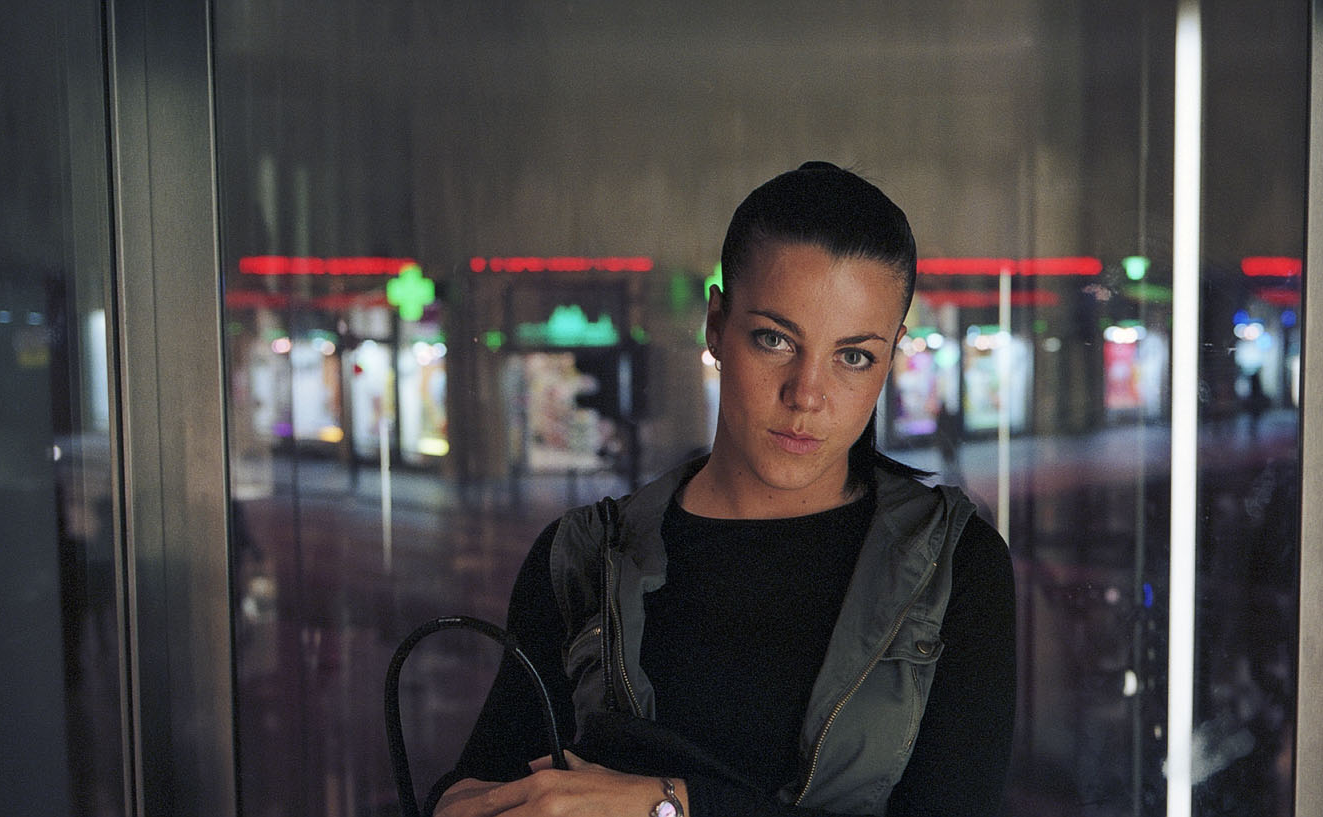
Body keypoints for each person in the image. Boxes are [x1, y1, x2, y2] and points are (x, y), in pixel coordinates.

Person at [430, 162, 1016, 817]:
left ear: (892, 356)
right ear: (716, 324)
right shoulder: (583, 558)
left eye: (854, 355)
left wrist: (670, 805)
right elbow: (484, 786)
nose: (807, 394)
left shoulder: (953, 568)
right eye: (775, 339)